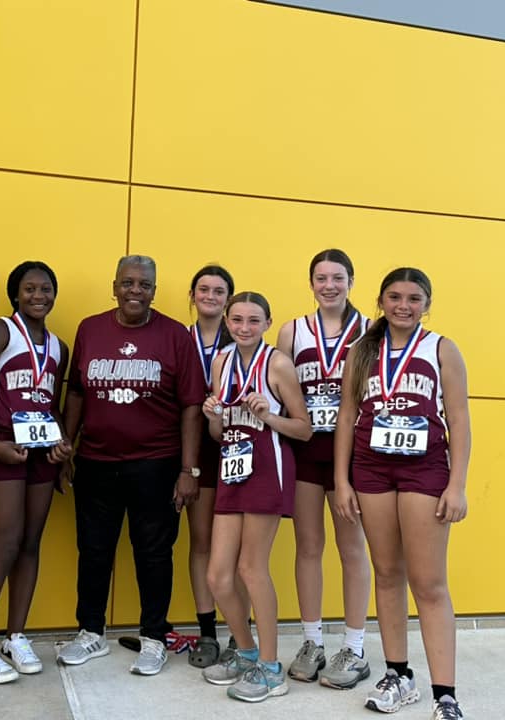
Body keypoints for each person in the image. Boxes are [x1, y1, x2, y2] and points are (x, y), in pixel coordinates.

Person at [57, 255, 205, 676]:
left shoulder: (176, 335)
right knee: (94, 550)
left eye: (144, 284)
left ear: (155, 291)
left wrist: (188, 470)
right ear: (115, 286)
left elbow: (192, 407)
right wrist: (67, 448)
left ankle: (154, 637)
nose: (135, 291)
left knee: (154, 554)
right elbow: (77, 395)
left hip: (156, 464)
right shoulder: (90, 328)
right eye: (127, 283)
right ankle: (90, 632)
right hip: (96, 461)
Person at [333, 268, 470, 720]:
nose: (404, 305)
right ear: (381, 300)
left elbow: (459, 420)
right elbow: (346, 417)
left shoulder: (442, 349)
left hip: (424, 470)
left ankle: (445, 695)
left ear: (426, 303)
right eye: (395, 296)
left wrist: (457, 484)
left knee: (429, 584)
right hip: (372, 469)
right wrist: (341, 479)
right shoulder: (362, 351)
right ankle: (398, 674)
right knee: (387, 573)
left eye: (414, 298)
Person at [0, 261, 72, 683]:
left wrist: (62, 444)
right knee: (3, 544)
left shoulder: (58, 345)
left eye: (46, 288)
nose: (38, 295)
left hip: (40, 452)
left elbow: (51, 403)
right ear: (15, 294)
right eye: (29, 289)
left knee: (29, 543)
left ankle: (15, 634)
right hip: (3, 447)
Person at [200, 292, 312, 702]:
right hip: (232, 467)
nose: (244, 328)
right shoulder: (221, 362)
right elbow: (218, 434)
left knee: (251, 568)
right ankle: (245, 652)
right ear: (227, 322)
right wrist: (213, 417)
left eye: (253, 320)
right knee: (217, 575)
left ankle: (270, 667)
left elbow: (304, 429)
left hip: (268, 467)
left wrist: (268, 415)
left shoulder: (278, 364)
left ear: (267, 323)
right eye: (237, 320)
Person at [276, 249, 372, 688]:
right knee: (308, 546)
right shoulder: (292, 331)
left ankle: (354, 645)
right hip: (304, 447)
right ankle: (311, 640)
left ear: (351, 280)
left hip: (350, 449)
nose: (329, 284)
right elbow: (276, 386)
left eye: (337, 277)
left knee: (351, 547)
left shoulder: (370, 332)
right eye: (321, 277)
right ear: (311, 282)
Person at [185, 265, 235, 669]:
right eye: (204, 289)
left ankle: (241, 630)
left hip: (235, 447)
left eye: (220, 291)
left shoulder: (242, 338)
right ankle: (207, 632)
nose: (211, 296)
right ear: (193, 294)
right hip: (191, 450)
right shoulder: (176, 339)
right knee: (200, 540)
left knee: (237, 547)